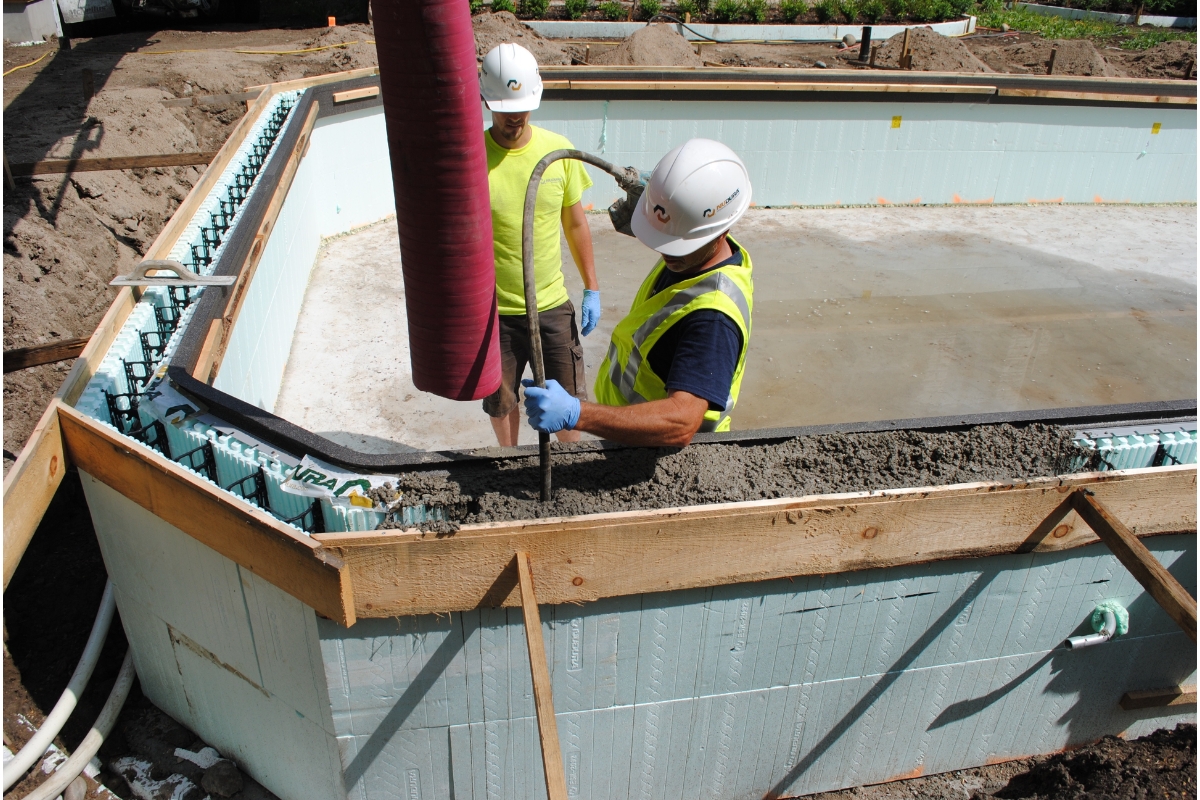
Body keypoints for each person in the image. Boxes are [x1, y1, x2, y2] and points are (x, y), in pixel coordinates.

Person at [522, 138, 754, 448]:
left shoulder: (712, 320)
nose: (665, 252)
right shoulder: (696, 253)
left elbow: (681, 423)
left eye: (678, 243)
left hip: (662, 454)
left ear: (720, 228)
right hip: (631, 431)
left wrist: (577, 414)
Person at [478, 42, 601, 446]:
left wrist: (592, 288)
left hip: (550, 305)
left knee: (567, 402)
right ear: (485, 100)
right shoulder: (473, 158)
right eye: (504, 108)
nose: (514, 116)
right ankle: (509, 459)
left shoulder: (557, 151)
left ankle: (569, 470)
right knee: (501, 401)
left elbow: (576, 223)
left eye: (522, 107)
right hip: (496, 313)